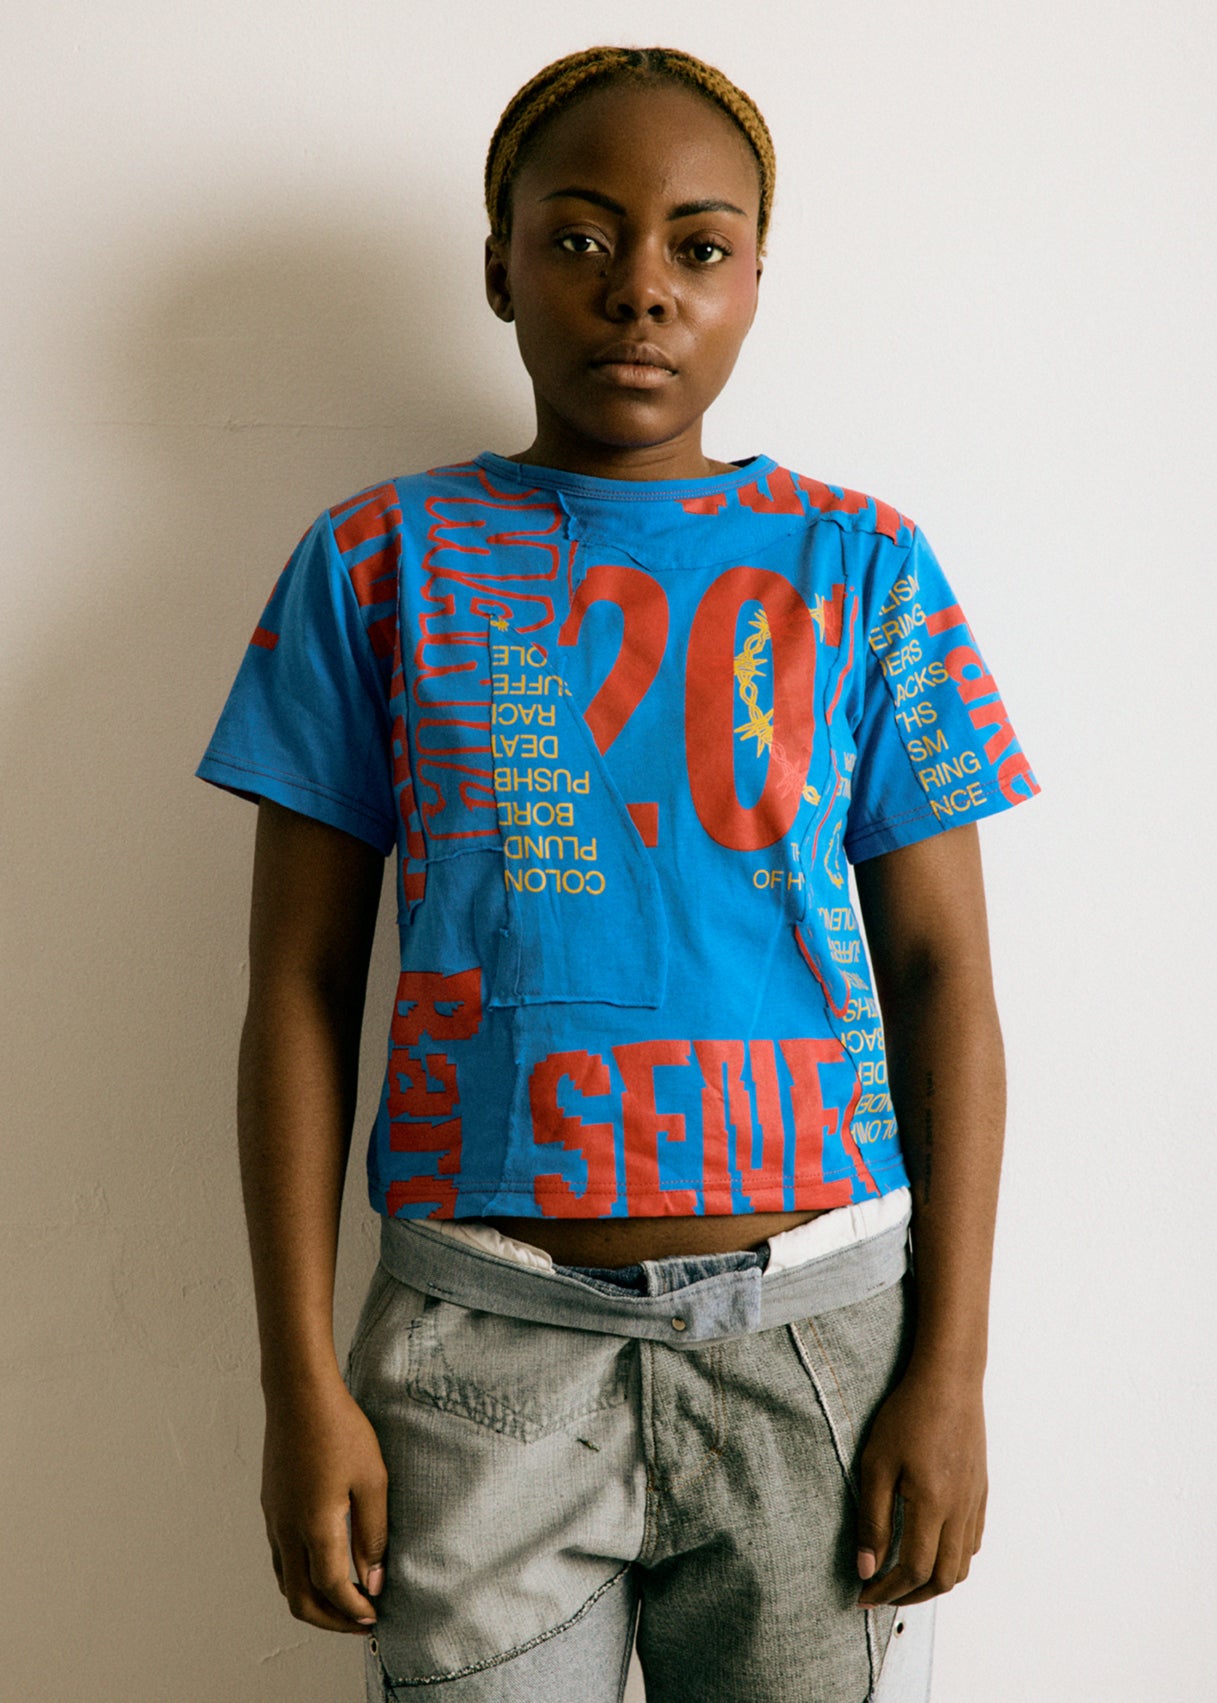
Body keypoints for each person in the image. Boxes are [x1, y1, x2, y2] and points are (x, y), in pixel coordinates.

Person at [198, 44, 1038, 1703]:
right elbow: (296, 985)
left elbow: (945, 976)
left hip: (818, 1347)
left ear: (751, 280)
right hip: (478, 1347)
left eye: (696, 246)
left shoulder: (859, 566)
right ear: (497, 264)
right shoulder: (376, 563)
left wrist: (948, 1373)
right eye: (578, 237)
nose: (638, 287)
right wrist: (299, 1384)